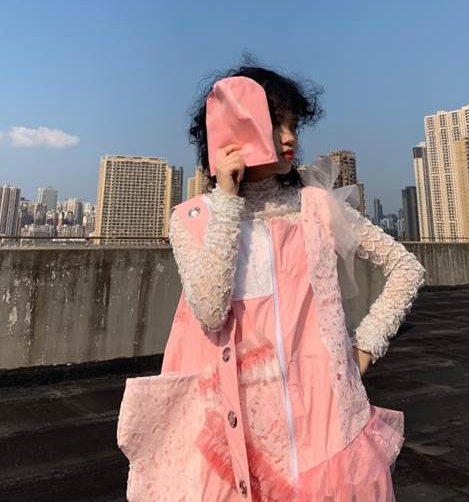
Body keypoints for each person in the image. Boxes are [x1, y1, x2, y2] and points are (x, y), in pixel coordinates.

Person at [117, 63, 426, 502]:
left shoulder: (316, 207)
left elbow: (406, 268)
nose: (289, 137)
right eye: (275, 123)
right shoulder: (193, 218)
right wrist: (227, 199)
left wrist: (364, 347)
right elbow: (210, 310)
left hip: (324, 431)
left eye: (293, 125)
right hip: (233, 441)